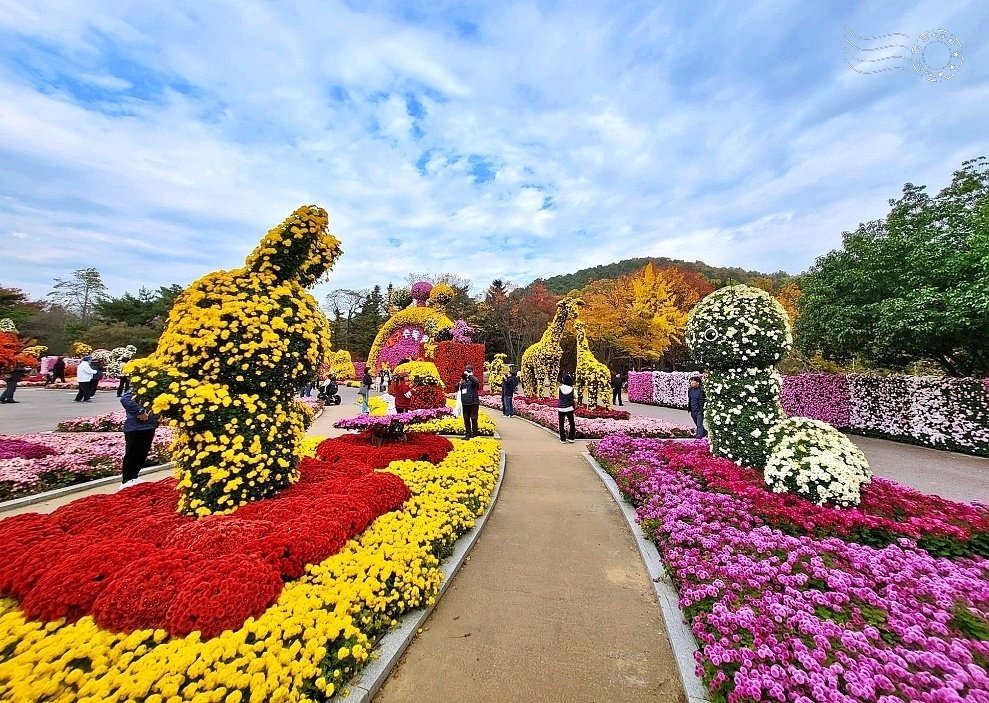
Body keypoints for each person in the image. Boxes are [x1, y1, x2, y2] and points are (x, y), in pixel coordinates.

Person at [120, 389, 158, 486]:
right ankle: (127, 480)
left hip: (148, 426)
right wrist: (140, 411)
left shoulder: (154, 388)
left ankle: (133, 476)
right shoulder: (139, 387)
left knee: (142, 454)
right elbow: (125, 399)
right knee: (133, 453)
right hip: (135, 427)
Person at [458, 365, 481, 438]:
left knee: (474, 419)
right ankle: (468, 434)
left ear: (472, 372)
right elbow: (457, 387)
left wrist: (469, 376)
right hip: (465, 403)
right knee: (466, 419)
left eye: (469, 371)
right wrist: (462, 379)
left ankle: (475, 434)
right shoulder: (464, 381)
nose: (467, 373)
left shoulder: (474, 379)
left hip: (473, 403)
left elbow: (476, 382)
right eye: (466, 371)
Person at [558, 372, 577, 443]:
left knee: (561, 423)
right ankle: (571, 438)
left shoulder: (559, 388)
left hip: (561, 408)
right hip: (569, 408)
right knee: (571, 423)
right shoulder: (572, 389)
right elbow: (575, 398)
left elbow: (559, 397)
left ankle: (563, 439)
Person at [688, 375, 707, 439]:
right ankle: (704, 432)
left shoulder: (701, 391)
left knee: (699, 424)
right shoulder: (690, 390)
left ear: (698, 383)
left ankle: (698, 438)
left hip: (699, 410)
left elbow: (704, 400)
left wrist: (703, 410)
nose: (692, 383)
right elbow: (690, 399)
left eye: (693, 382)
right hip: (693, 410)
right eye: (691, 382)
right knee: (697, 423)